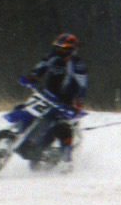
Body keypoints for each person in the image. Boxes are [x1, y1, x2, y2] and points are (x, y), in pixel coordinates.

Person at [23, 32, 87, 163]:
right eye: (58, 47)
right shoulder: (52, 56)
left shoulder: (78, 64)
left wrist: (79, 100)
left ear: (72, 50)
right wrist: (32, 77)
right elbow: (41, 67)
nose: (59, 50)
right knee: (25, 110)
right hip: (46, 95)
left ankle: (66, 160)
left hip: (66, 101)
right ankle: (17, 136)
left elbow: (82, 83)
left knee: (62, 128)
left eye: (63, 48)